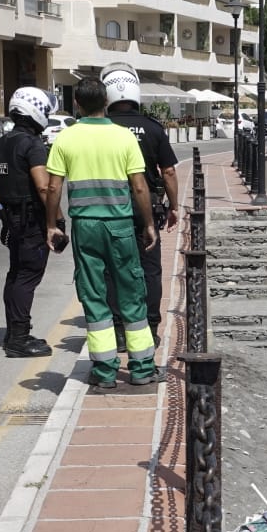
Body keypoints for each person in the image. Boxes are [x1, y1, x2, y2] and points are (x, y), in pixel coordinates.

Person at [43, 77, 161, 391]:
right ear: (106, 102)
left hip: (85, 227)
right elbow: (139, 186)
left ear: (77, 104)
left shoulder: (66, 138)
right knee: (131, 293)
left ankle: (105, 371)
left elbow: (53, 187)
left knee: (94, 296)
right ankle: (142, 368)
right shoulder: (123, 137)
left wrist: (52, 224)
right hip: (120, 225)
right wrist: (149, 224)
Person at [101, 64, 180, 350]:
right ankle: (151, 328)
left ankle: (119, 331)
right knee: (150, 270)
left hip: (110, 209)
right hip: (146, 210)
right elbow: (168, 172)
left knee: (113, 270)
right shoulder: (152, 128)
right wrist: (173, 206)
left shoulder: (101, 128)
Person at [0, 87, 61, 358]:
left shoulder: (1, 143)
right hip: (31, 220)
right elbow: (44, 187)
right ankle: (19, 339)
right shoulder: (32, 145)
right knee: (27, 276)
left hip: (12, 218)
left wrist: (2, 213)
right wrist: (57, 220)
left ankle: (13, 332)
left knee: (15, 274)